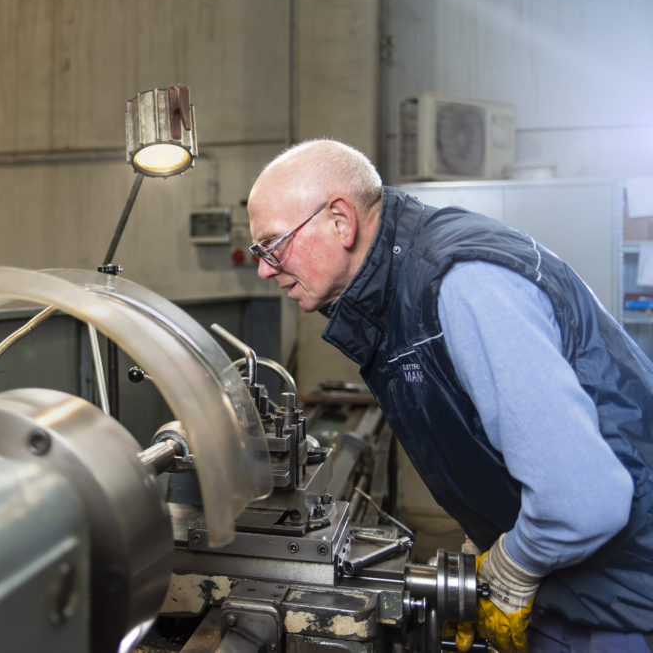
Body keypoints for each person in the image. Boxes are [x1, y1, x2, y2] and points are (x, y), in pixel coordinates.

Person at [246, 139, 653, 652]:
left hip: (623, 604)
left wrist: (511, 566)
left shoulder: (459, 283)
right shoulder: (401, 291)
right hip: (584, 595)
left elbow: (584, 501)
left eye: (271, 245)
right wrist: (485, 532)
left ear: (340, 221)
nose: (263, 268)